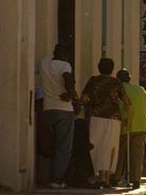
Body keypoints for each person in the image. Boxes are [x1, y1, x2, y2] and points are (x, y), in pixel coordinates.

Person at [81, 58, 130, 188]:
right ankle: (107, 178)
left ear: (99, 67)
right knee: (110, 146)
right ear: (112, 69)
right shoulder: (117, 83)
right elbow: (126, 101)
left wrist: (89, 106)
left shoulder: (93, 81)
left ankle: (99, 176)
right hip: (114, 118)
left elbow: (84, 98)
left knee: (96, 145)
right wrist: (127, 117)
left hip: (96, 117)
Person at [38, 43, 78, 189]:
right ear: (66, 55)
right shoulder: (65, 65)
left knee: (48, 144)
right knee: (63, 147)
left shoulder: (44, 63)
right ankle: (56, 179)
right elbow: (68, 80)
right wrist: (72, 95)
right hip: (64, 109)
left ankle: (43, 175)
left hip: (47, 109)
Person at [114, 69, 146, 189]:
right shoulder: (140, 89)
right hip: (141, 125)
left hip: (126, 125)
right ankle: (136, 180)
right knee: (136, 155)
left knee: (119, 153)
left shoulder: (120, 90)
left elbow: (119, 106)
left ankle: (116, 177)